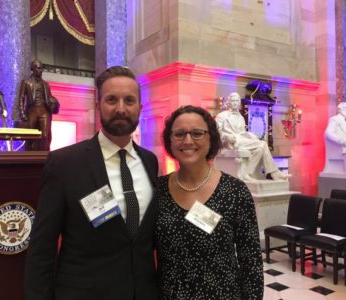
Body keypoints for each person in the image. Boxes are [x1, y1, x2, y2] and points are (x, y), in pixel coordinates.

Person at [25, 66, 159, 300]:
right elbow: (42, 248)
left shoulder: (150, 161)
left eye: (129, 100)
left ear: (140, 107)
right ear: (98, 106)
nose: (120, 108)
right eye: (111, 100)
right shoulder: (63, 163)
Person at [155, 105, 263, 299]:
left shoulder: (235, 191)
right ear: (170, 140)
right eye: (179, 134)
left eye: (197, 133)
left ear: (211, 138)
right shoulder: (158, 189)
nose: (188, 141)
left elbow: (251, 263)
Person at [215, 92, 290, 181]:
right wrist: (228, 137)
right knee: (262, 144)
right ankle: (275, 173)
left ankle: (247, 173)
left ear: (239, 103)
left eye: (237, 101)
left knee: (259, 150)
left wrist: (250, 135)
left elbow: (242, 132)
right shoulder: (222, 116)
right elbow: (217, 132)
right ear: (229, 102)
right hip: (233, 141)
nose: (235, 103)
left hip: (241, 139)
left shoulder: (241, 117)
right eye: (233, 101)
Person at [18, 59, 59, 151]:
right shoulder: (26, 82)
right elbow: (21, 98)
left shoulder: (46, 84)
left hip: (44, 111)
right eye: (37, 68)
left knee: (45, 135)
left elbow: (49, 97)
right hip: (32, 111)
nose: (40, 70)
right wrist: (21, 112)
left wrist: (54, 103)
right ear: (32, 68)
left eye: (41, 68)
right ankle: (29, 156)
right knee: (30, 136)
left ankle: (44, 156)